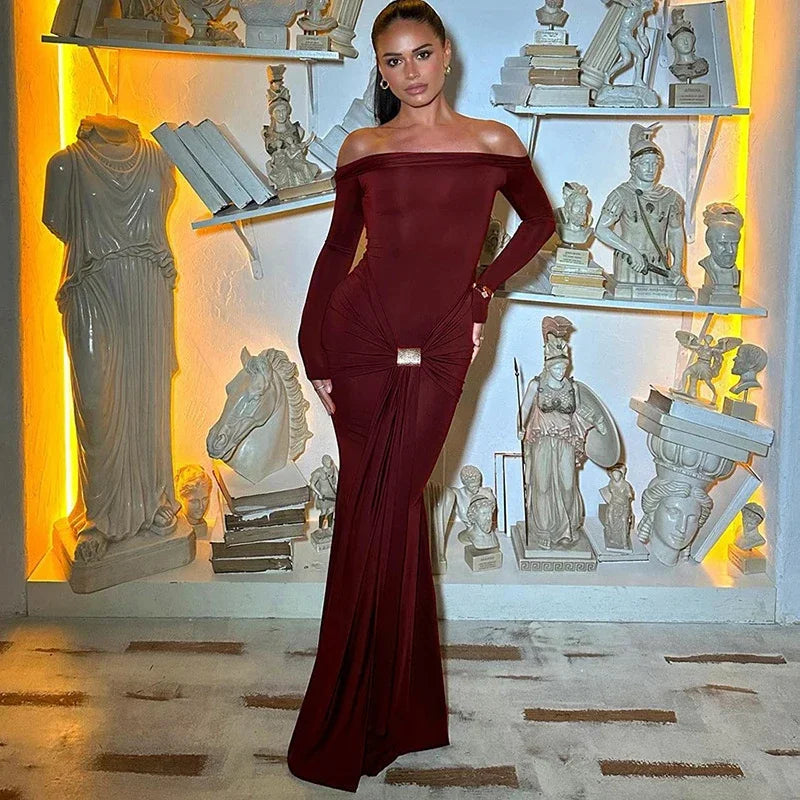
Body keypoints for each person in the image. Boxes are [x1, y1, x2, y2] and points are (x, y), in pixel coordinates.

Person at [290, 0, 555, 791]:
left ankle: (386, 709)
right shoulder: (364, 148)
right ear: (380, 70)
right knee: (374, 514)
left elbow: (540, 224)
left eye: (422, 54)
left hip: (441, 349)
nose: (410, 72)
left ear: (447, 55)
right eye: (393, 60)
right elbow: (339, 249)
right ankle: (379, 712)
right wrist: (313, 349)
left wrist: (484, 290)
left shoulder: (493, 143)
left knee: (394, 506)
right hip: (358, 342)